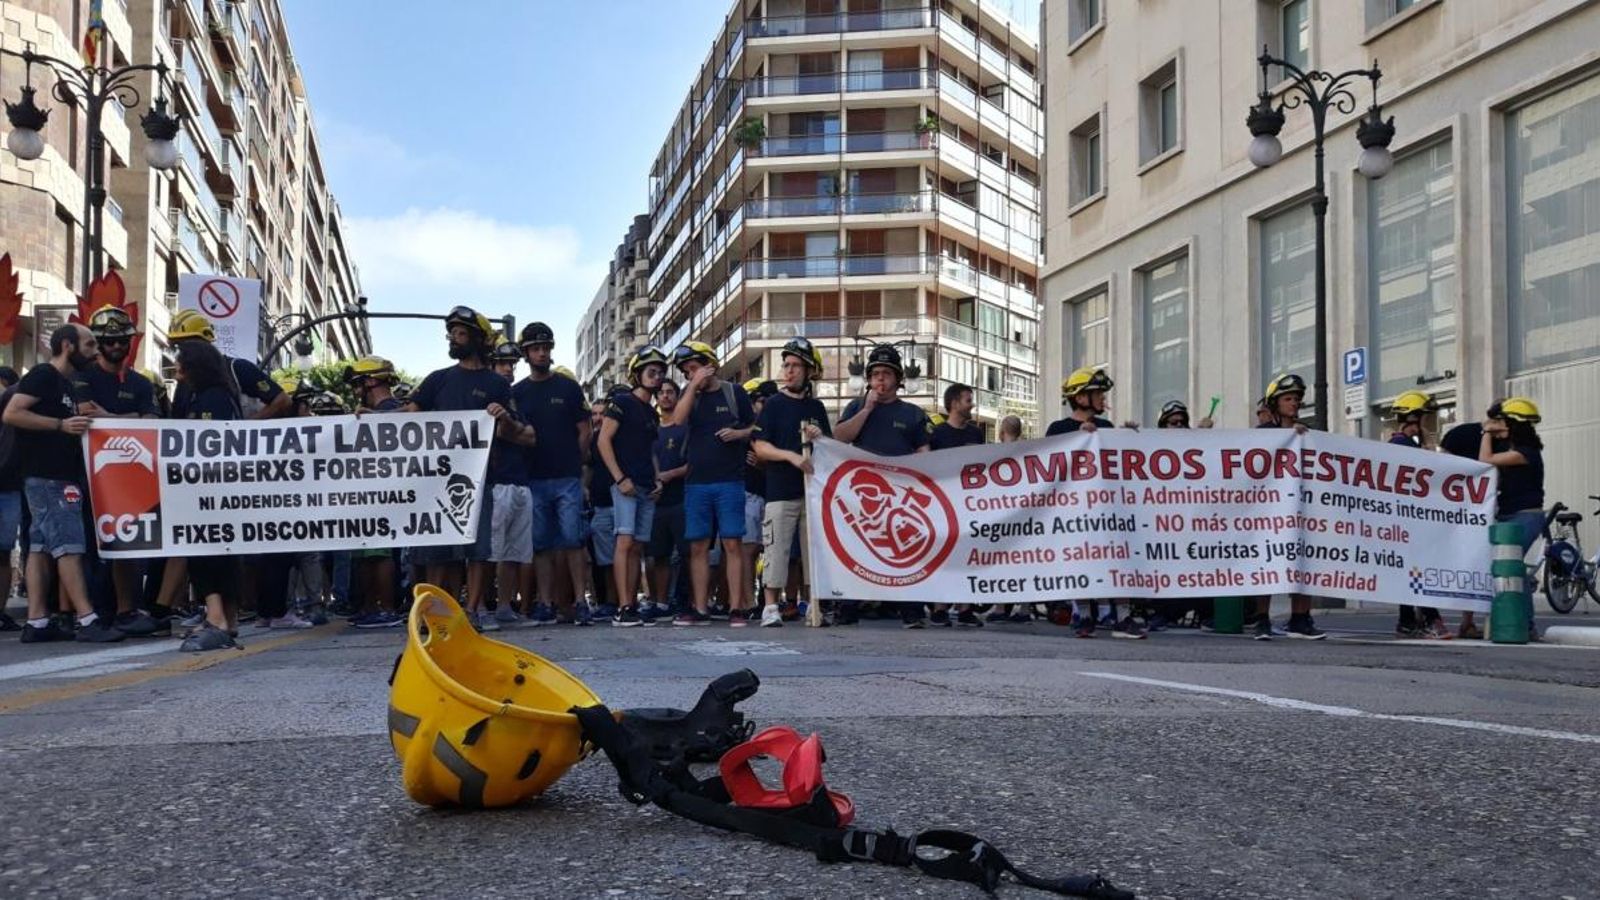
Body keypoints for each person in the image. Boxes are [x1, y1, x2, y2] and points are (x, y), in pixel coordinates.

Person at [405, 306, 533, 629]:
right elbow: (409, 415)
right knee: (438, 550)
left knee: (477, 549)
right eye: (451, 333)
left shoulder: (497, 384)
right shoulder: (437, 379)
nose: (454, 338)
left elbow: (519, 431)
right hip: (437, 480)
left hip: (482, 478)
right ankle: (436, 612)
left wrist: (503, 418)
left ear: (477, 339)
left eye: (461, 333)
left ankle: (472, 610)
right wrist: (371, 419)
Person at [2, 325, 125, 643]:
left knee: (41, 548)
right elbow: (12, 413)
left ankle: (37, 622)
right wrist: (60, 424)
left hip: (49, 476)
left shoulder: (64, 384)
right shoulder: (44, 375)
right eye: (90, 344)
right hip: (49, 477)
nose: (96, 351)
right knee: (69, 546)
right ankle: (88, 619)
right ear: (68, 345)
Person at [68, 307, 165, 636]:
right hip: (85, 475)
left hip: (129, 480)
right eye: (109, 340)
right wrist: (130, 419)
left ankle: (126, 611)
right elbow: (86, 414)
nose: (116, 346)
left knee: (127, 545)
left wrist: (109, 417)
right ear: (99, 342)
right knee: (85, 547)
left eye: (122, 340)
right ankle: (86, 615)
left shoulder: (141, 383)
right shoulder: (82, 378)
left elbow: (152, 422)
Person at [832, 343, 931, 627]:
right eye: (875, 374)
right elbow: (839, 437)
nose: (880, 380)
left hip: (900, 494)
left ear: (898, 379)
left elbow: (925, 453)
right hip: (861, 496)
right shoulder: (855, 407)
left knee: (907, 549)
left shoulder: (913, 414)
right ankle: (848, 606)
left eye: (886, 374)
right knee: (857, 548)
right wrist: (867, 409)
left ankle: (911, 610)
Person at [1046, 367, 1145, 639]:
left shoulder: (1107, 428)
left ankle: (1123, 617)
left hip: (1107, 508)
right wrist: (1078, 438)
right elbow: (1049, 467)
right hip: (1074, 509)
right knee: (1080, 559)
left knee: (1118, 557)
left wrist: (1130, 439)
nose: (1103, 398)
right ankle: (1083, 615)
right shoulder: (1058, 429)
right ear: (1080, 398)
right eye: (1097, 393)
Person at [167, 339, 247, 650]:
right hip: (220, 488)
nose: (177, 368)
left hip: (209, 487)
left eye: (181, 361)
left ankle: (216, 617)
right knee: (223, 552)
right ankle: (227, 617)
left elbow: (208, 442)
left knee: (203, 550)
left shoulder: (211, 398)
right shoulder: (223, 395)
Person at [669, 342, 755, 627]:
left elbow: (755, 427)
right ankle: (700, 607)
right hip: (696, 483)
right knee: (698, 546)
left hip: (730, 480)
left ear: (710, 365)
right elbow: (677, 420)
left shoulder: (734, 392)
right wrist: (693, 385)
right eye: (686, 371)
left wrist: (738, 434)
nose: (689, 374)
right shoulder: (690, 394)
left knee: (732, 543)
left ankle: (736, 608)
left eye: (693, 368)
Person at [511, 322, 590, 625]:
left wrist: (576, 462)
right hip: (533, 478)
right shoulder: (517, 392)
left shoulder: (568, 387)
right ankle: (545, 603)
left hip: (567, 477)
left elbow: (585, 430)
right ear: (526, 354)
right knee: (540, 544)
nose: (542, 353)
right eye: (535, 349)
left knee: (573, 539)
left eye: (545, 347)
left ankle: (580, 601)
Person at [752, 338, 830, 628]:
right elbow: (760, 446)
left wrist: (819, 438)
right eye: (786, 365)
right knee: (776, 548)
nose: (790, 370)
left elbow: (829, 450)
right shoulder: (773, 405)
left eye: (796, 365)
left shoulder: (817, 407)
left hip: (810, 491)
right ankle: (770, 606)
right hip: (780, 489)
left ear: (809, 371)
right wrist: (790, 456)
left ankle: (812, 605)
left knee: (812, 552)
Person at [598, 347, 668, 626]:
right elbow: (603, 440)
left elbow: (651, 451)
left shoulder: (652, 413)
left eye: (660, 372)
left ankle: (632, 605)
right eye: (651, 371)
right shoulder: (622, 402)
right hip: (625, 484)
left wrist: (658, 478)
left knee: (638, 546)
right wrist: (619, 478)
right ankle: (623, 607)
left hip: (647, 486)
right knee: (625, 542)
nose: (657, 376)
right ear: (637, 374)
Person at [1255, 373, 1327, 640]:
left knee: (1304, 562)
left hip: (1300, 510)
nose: (1294, 403)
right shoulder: (1262, 434)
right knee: (1266, 563)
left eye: (1296, 399)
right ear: (1275, 403)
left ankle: (1300, 619)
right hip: (1269, 510)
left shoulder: (1306, 433)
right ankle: (1262, 620)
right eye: (1288, 398)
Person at [344, 357, 405, 628]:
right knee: (365, 555)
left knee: (380, 554)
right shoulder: (368, 413)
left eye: (358, 384)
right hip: (365, 493)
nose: (356, 391)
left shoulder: (391, 410)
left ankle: (387, 609)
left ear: (371, 381)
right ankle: (370, 607)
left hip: (382, 493)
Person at [1386, 391, 1450, 640]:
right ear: (1413, 417)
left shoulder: (1403, 443)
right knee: (1416, 568)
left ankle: (1407, 621)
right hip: (1407, 517)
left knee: (1412, 568)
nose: (1428, 422)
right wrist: (1427, 442)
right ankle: (1430, 619)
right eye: (1424, 417)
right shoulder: (1402, 445)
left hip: (1409, 516)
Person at [1481, 398, 1546, 643]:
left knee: (1514, 565)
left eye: (1502, 421)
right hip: (1507, 515)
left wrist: (1486, 432)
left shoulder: (1525, 453)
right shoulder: (1511, 449)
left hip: (1526, 515)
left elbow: (1484, 459)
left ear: (1514, 424)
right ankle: (1522, 622)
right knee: (1512, 568)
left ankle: (1527, 625)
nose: (1497, 424)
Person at [166, 309, 291, 420]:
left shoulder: (238, 369)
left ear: (202, 346)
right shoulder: (184, 384)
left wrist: (244, 429)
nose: (178, 356)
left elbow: (283, 401)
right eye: (175, 348)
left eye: (182, 347)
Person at [929, 382, 985, 627]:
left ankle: (965, 609)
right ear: (953, 403)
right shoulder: (937, 434)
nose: (972, 405)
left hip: (969, 504)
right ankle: (939, 608)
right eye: (967, 400)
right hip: (943, 504)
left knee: (968, 556)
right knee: (943, 555)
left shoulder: (976, 434)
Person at [1439, 419, 1486, 638]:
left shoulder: (1459, 434)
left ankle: (1425, 617)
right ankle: (1467, 622)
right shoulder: (1494, 442)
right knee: (1473, 564)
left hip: (1453, 511)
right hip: (1474, 514)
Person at [647, 379, 690, 620]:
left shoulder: (685, 427)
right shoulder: (650, 429)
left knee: (687, 554)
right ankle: (661, 603)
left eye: (670, 392)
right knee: (659, 555)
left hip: (682, 499)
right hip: (656, 503)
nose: (665, 396)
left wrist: (670, 475)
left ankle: (687, 602)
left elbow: (694, 462)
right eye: (661, 392)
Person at [737, 378, 778, 627]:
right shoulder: (744, 428)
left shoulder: (778, 424)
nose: (764, 405)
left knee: (774, 551)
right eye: (761, 401)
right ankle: (748, 602)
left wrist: (765, 463)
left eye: (769, 401)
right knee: (748, 549)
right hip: (750, 493)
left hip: (774, 494)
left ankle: (771, 600)